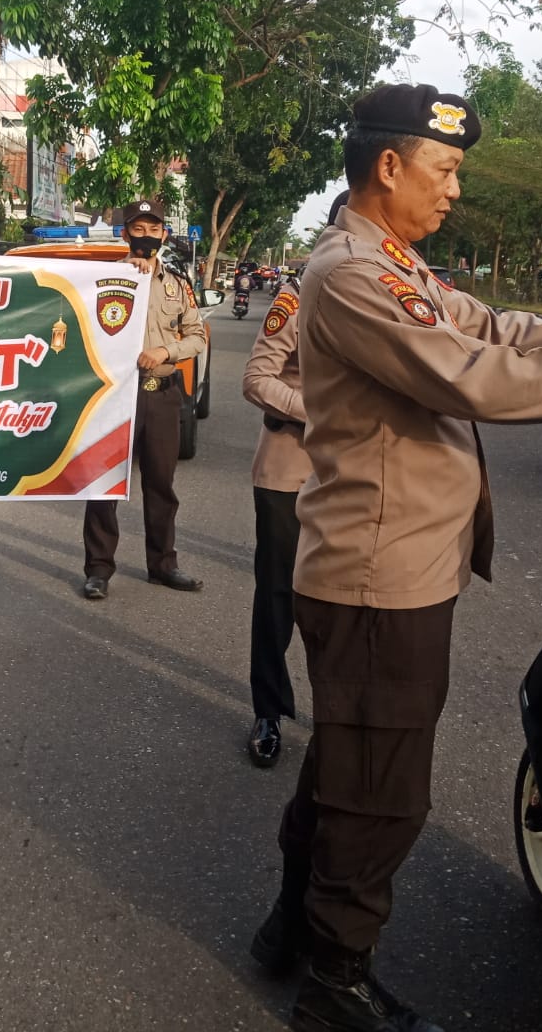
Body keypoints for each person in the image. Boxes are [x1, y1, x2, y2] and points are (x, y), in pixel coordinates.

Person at [248, 83, 542, 1032]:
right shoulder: (351, 274)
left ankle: (289, 928)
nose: (455, 189)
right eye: (445, 169)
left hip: (394, 564)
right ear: (388, 167)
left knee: (344, 765)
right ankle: (335, 985)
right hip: (376, 576)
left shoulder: (396, 265)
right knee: (383, 793)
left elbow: (507, 331)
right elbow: (477, 376)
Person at [240, 192, 345, 768]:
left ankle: (339, 720)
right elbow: (257, 379)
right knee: (278, 595)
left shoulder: (390, 300)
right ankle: (268, 710)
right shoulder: (296, 297)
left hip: (353, 476)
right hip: (289, 470)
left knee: (345, 603)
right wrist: (325, 411)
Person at [81, 198, 206, 600]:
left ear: (164, 234)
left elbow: (197, 336)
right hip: (116, 395)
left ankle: (163, 565)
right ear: (125, 233)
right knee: (105, 485)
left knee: (161, 484)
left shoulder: (177, 285)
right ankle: (98, 570)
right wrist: (123, 277)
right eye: (139, 229)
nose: (147, 236)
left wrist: (166, 353)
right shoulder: (102, 280)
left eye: (155, 229)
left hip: (163, 394)